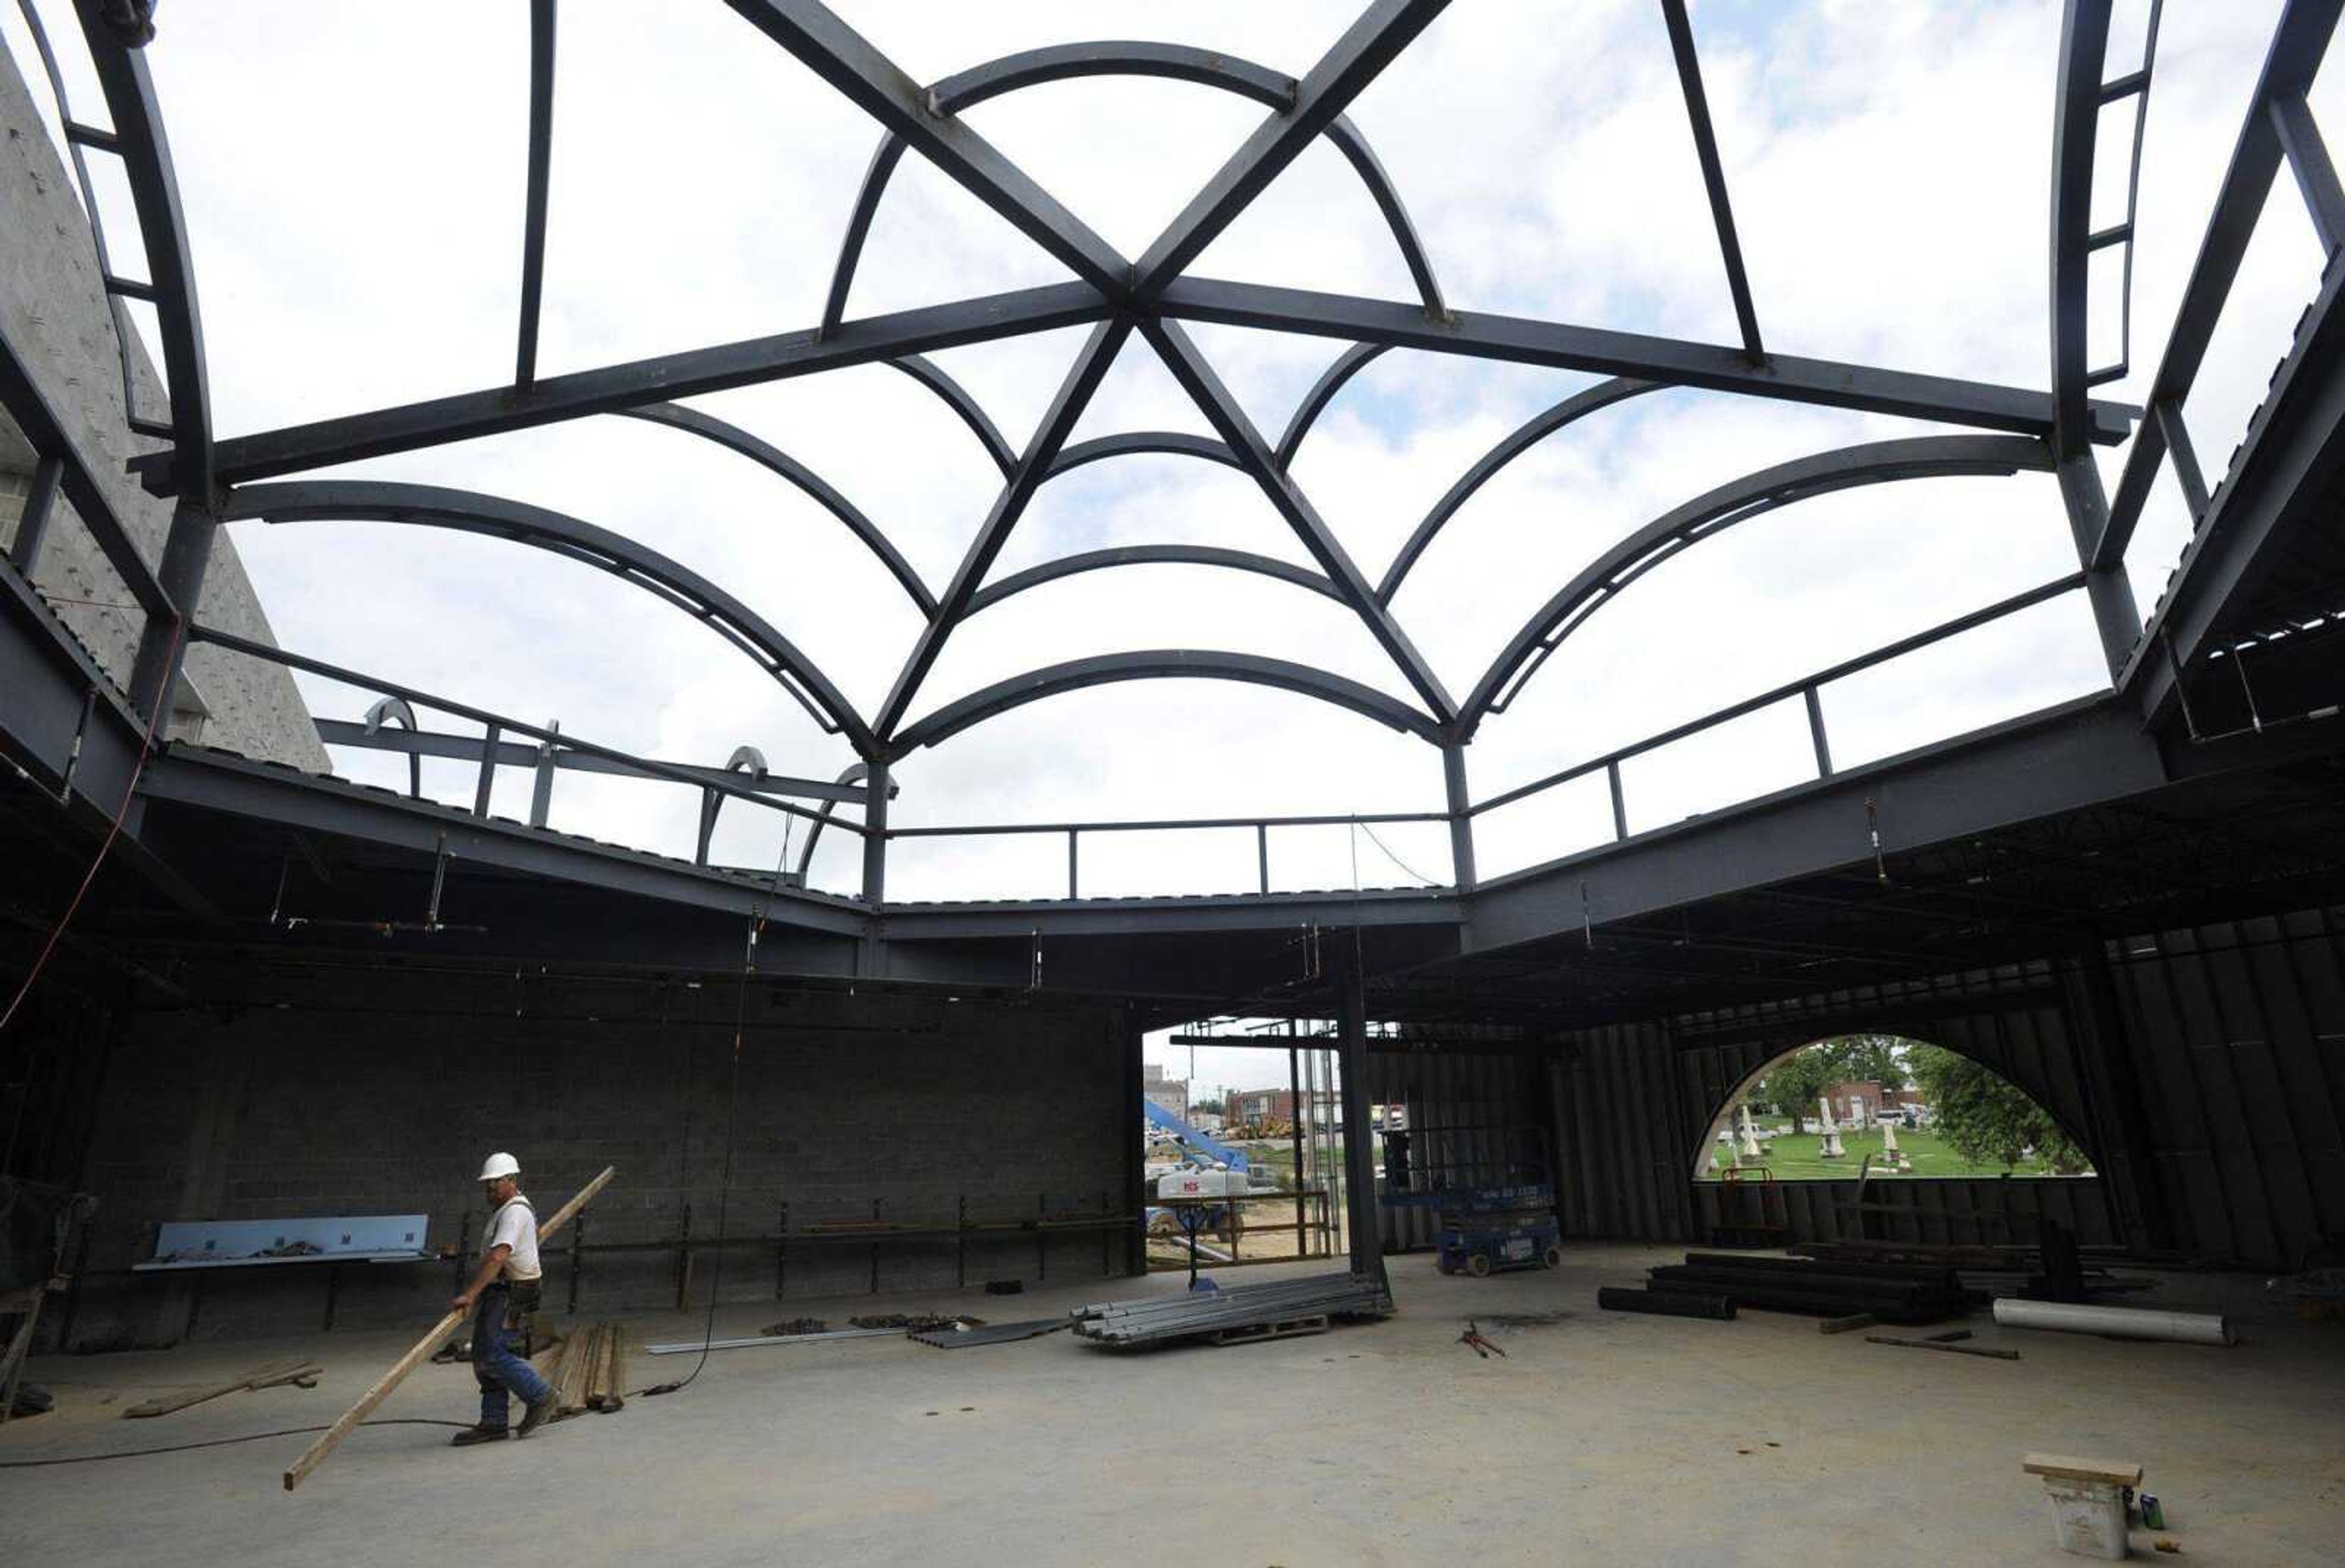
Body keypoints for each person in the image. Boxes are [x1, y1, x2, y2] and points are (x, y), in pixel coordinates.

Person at [449, 1152, 556, 1445]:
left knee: (494, 1353)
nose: (490, 1189)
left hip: (512, 1290)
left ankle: (541, 1395)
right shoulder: (509, 1210)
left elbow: (499, 1255)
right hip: (502, 1288)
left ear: (512, 1180)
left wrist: (470, 1295)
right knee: (484, 1355)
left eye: (496, 1183)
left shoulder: (514, 1212)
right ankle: (494, 1421)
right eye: (487, 1184)